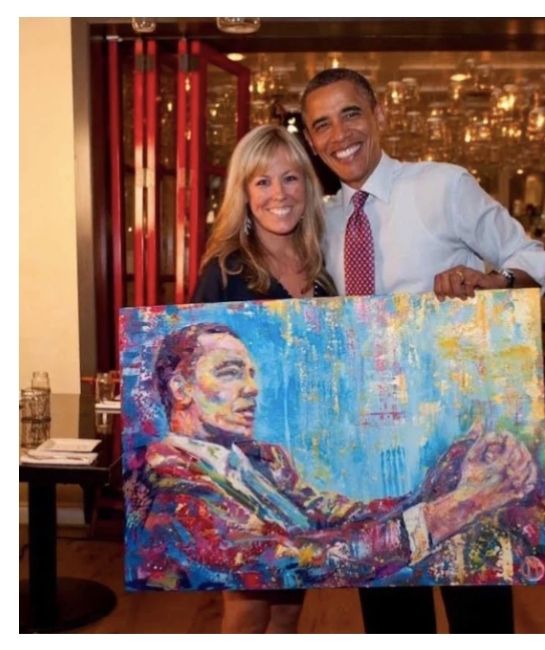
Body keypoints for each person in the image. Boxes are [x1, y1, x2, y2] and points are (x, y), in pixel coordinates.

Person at [300, 67, 545, 633]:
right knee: (392, 617)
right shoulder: (322, 219)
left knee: (479, 614)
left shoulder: (444, 187)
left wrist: (492, 282)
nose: (340, 134)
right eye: (322, 125)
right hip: (373, 446)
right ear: (312, 142)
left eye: (350, 114)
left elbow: (533, 258)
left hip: (461, 438)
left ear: (379, 114)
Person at [125, 324, 540, 608]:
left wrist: (454, 472)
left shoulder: (263, 458)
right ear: (180, 388)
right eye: (231, 373)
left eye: (252, 374)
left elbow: (336, 516)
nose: (252, 388)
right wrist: (461, 505)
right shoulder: (168, 481)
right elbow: (293, 560)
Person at [181, 124, 335, 632]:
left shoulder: (322, 271)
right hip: (242, 466)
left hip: (303, 461)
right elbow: (197, 367)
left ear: (307, 186)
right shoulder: (226, 270)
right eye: (262, 182)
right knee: (247, 607)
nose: (278, 194)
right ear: (244, 194)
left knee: (289, 605)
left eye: (290, 178)